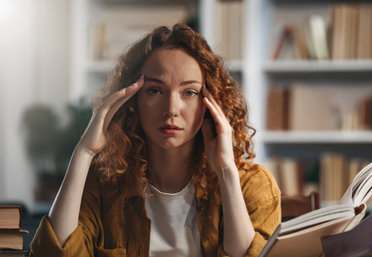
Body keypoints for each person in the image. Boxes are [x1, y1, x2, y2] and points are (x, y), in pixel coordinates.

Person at [30, 23, 281, 257]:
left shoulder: (253, 185)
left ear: (209, 104)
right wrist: (84, 151)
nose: (171, 108)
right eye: (154, 90)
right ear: (132, 101)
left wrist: (227, 172)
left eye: (189, 92)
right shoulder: (104, 183)